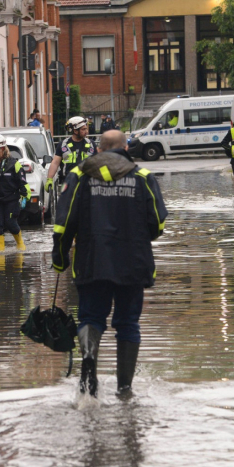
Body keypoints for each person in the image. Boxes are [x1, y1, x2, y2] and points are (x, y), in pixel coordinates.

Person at [52, 130, 168, 397]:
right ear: (126, 147)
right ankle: (125, 389)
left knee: (91, 317)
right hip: (132, 262)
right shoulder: (142, 177)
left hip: (92, 261)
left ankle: (89, 364)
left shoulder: (80, 176)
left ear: (99, 149)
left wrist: (59, 257)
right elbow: (158, 223)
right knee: (128, 323)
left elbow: (63, 222)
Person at [45, 116, 95, 192]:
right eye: (83, 129)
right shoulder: (63, 145)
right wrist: (50, 179)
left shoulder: (91, 144)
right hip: (67, 183)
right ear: (75, 131)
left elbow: (98, 162)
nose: (86, 131)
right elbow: (55, 163)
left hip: (87, 182)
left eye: (86, 129)